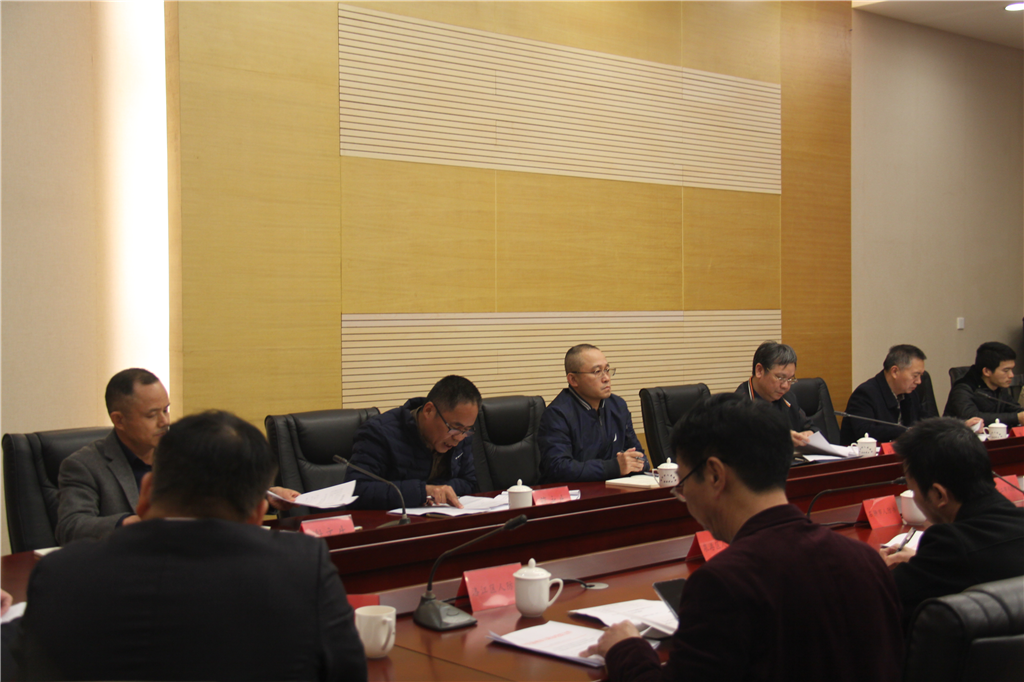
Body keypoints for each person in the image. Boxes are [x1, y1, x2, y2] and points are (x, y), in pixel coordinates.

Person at [14, 410, 367, 682]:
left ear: (146, 493)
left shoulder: (60, 574)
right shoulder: (302, 567)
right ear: (258, 513)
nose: (162, 418)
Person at [583, 394, 904, 682]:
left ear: (715, 475)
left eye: (683, 483)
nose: (684, 497)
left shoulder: (723, 584)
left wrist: (626, 648)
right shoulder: (865, 560)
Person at [56, 368, 299, 544]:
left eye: (166, 410)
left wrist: (268, 495)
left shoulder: (181, 448)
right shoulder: (83, 465)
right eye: (152, 415)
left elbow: (217, 489)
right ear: (118, 420)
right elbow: (70, 527)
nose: (164, 421)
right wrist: (133, 522)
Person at [880, 418, 1024, 621]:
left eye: (913, 490)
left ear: (939, 495)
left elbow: (879, 601)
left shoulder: (950, 544)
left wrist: (875, 568)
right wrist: (922, 561)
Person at [345, 375, 480, 509]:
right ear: (428, 411)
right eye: (454, 428)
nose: (459, 438)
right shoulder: (379, 433)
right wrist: (423, 491)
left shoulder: (462, 435)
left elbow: (470, 483)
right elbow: (357, 490)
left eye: (467, 430)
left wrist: (437, 491)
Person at [537, 344, 646, 483]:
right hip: (575, 493)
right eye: (597, 371)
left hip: (615, 488)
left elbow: (640, 457)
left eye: (607, 370)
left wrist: (634, 463)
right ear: (573, 380)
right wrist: (614, 467)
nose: (606, 378)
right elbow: (558, 468)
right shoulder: (557, 414)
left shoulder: (618, 406)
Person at [840, 344, 937, 444]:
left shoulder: (911, 394)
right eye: (915, 376)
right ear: (895, 371)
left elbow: (925, 422)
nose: (919, 381)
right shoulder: (865, 394)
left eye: (921, 376)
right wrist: (906, 431)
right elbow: (865, 431)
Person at [735, 340, 816, 447]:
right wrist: (781, 439)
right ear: (759, 371)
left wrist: (811, 433)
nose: (786, 386)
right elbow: (741, 446)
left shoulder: (788, 398)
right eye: (780, 378)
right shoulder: (738, 405)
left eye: (790, 379)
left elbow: (810, 426)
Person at [944, 341, 1023, 427]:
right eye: (1006, 370)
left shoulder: (999, 386)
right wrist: (1016, 418)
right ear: (986, 371)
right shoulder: (962, 389)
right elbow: (973, 419)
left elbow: (1015, 409)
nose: (1011, 375)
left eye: (1011, 370)